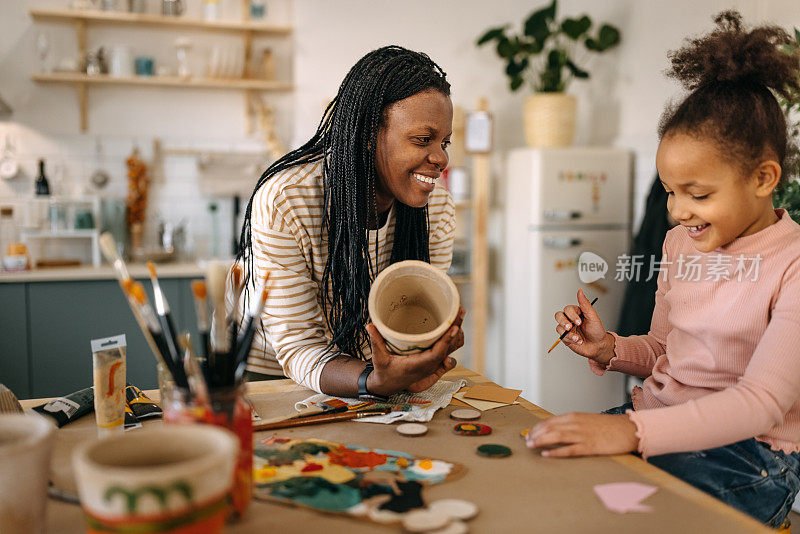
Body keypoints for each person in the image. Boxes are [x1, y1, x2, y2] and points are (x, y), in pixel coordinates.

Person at [527, 12, 800, 528]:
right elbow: (663, 352)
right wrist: (610, 349)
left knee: (636, 516)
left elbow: (762, 403)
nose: (675, 212)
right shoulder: (680, 243)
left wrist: (631, 434)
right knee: (548, 475)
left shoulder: (792, 264)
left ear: (763, 178)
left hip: (750, 453)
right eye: (671, 192)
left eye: (697, 195)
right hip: (658, 424)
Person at [231, 45, 465, 398]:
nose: (441, 157)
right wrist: (373, 382)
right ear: (368, 134)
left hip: (363, 372)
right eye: (423, 140)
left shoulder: (438, 210)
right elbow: (298, 345)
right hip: (271, 376)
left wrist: (423, 348)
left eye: (444, 142)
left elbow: (399, 332)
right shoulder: (286, 201)